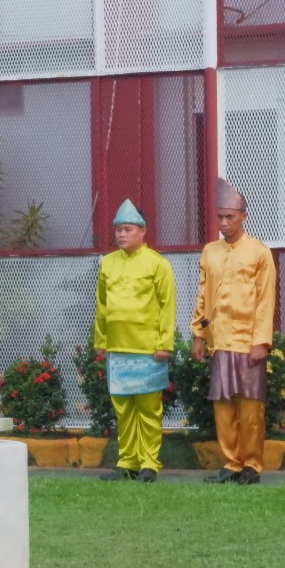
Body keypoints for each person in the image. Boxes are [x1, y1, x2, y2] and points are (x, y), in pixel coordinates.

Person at [192, 179, 277, 485]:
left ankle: (252, 464)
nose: (224, 223)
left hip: (248, 341)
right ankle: (231, 463)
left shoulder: (259, 252)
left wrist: (260, 341)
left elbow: (266, 300)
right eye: (220, 217)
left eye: (230, 217)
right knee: (223, 405)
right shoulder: (210, 251)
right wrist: (199, 334)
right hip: (220, 340)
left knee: (251, 406)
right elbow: (203, 294)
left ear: (244, 216)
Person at [94, 199, 176, 482]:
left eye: (127, 229)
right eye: (118, 229)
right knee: (123, 409)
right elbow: (102, 305)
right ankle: (127, 462)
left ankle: (149, 464)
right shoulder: (106, 263)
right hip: (118, 348)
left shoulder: (158, 264)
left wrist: (165, 343)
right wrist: (101, 340)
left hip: (148, 350)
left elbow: (167, 306)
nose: (121, 234)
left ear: (143, 231)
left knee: (149, 409)